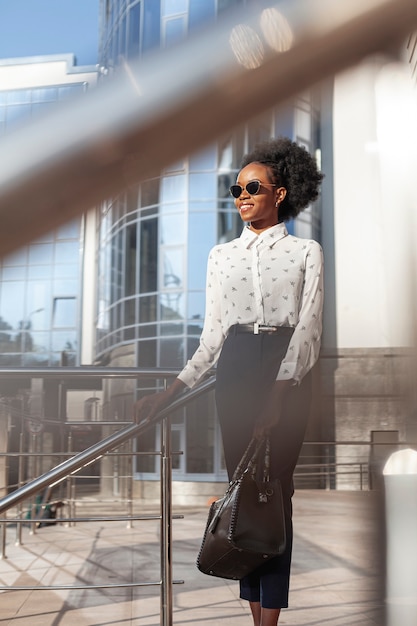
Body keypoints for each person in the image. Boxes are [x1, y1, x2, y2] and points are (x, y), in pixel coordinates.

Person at [134, 136, 324, 626]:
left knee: (276, 491)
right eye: (234, 188)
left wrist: (281, 392)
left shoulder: (306, 251)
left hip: (287, 365)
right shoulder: (221, 256)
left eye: (252, 187)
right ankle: (255, 612)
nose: (241, 196)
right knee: (243, 492)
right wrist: (171, 389)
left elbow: (308, 327)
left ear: (280, 192)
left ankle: (269, 620)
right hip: (237, 367)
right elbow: (213, 335)